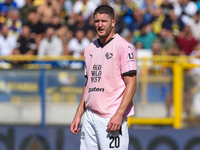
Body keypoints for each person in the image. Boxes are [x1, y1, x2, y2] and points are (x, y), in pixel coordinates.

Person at [70, 5, 137, 150]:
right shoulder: (89, 49)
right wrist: (78, 115)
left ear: (113, 22)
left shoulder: (124, 47)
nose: (100, 25)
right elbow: (88, 85)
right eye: (97, 21)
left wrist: (119, 114)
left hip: (110, 117)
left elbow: (132, 84)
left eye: (104, 21)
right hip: (89, 116)